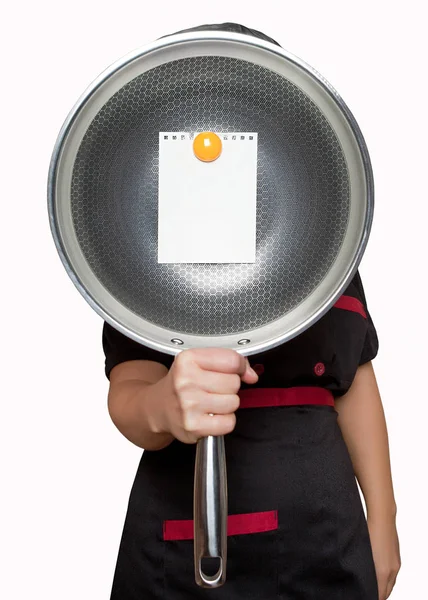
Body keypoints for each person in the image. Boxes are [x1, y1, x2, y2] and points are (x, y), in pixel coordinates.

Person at [102, 23, 401, 600]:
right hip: (186, 549)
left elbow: (356, 381)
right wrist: (165, 407)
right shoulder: (148, 254)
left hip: (328, 538)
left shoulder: (327, 243)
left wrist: (383, 523)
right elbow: (129, 390)